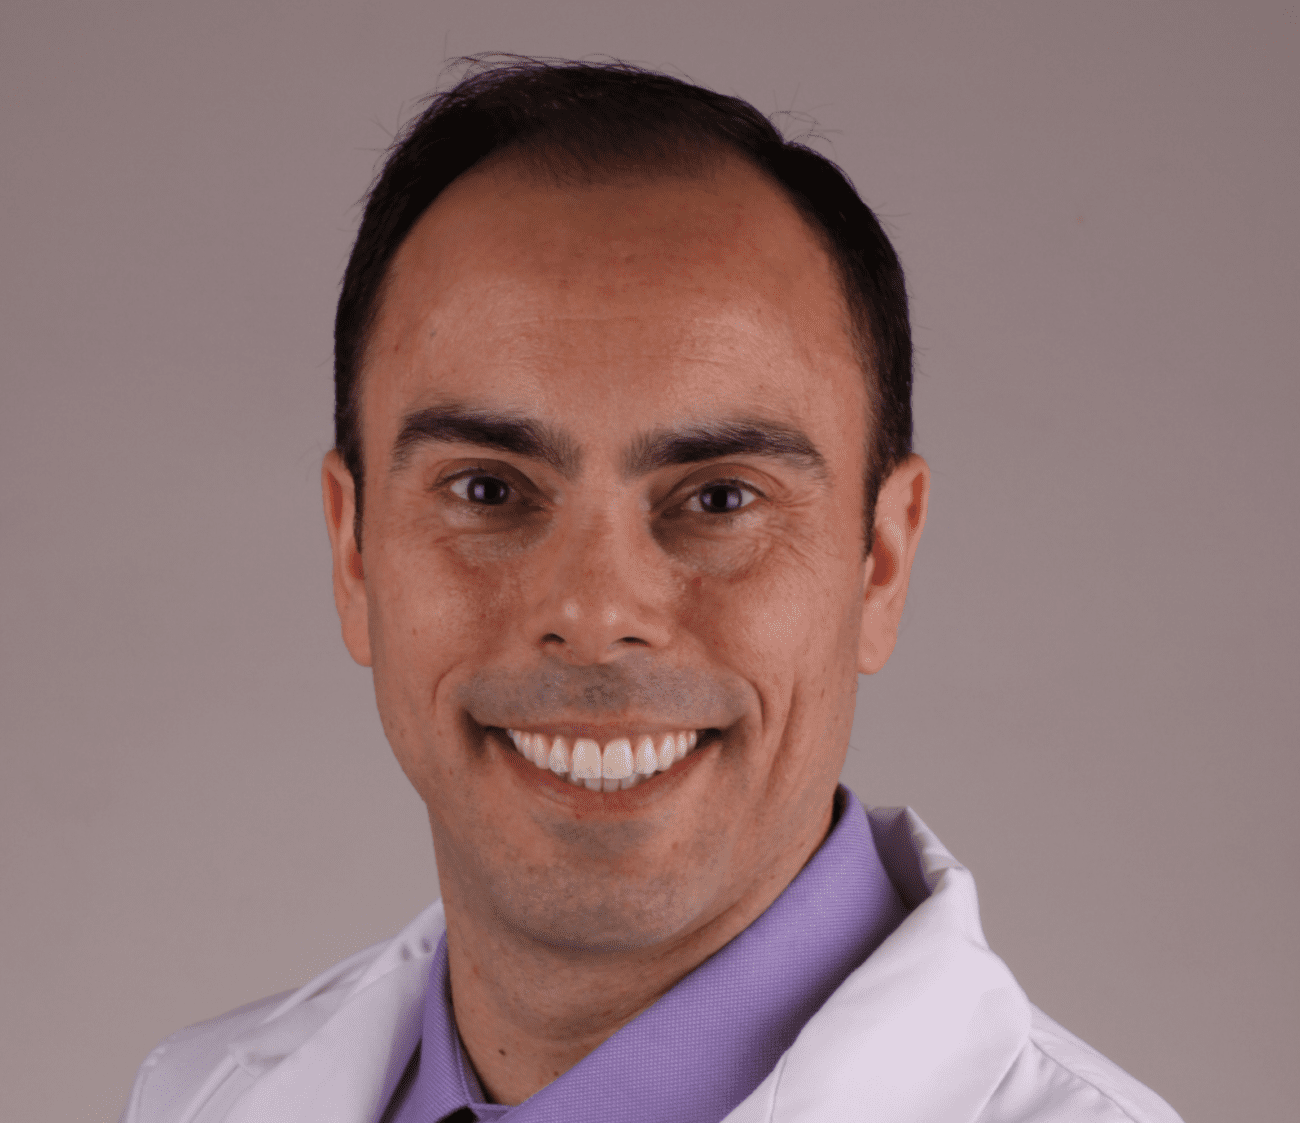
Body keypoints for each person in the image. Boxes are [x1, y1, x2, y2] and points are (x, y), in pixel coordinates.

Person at [119, 58, 1184, 1123]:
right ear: (353, 551)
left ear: (881, 563)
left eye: (720, 498)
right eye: (489, 490)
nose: (594, 615)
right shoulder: (187, 1096)